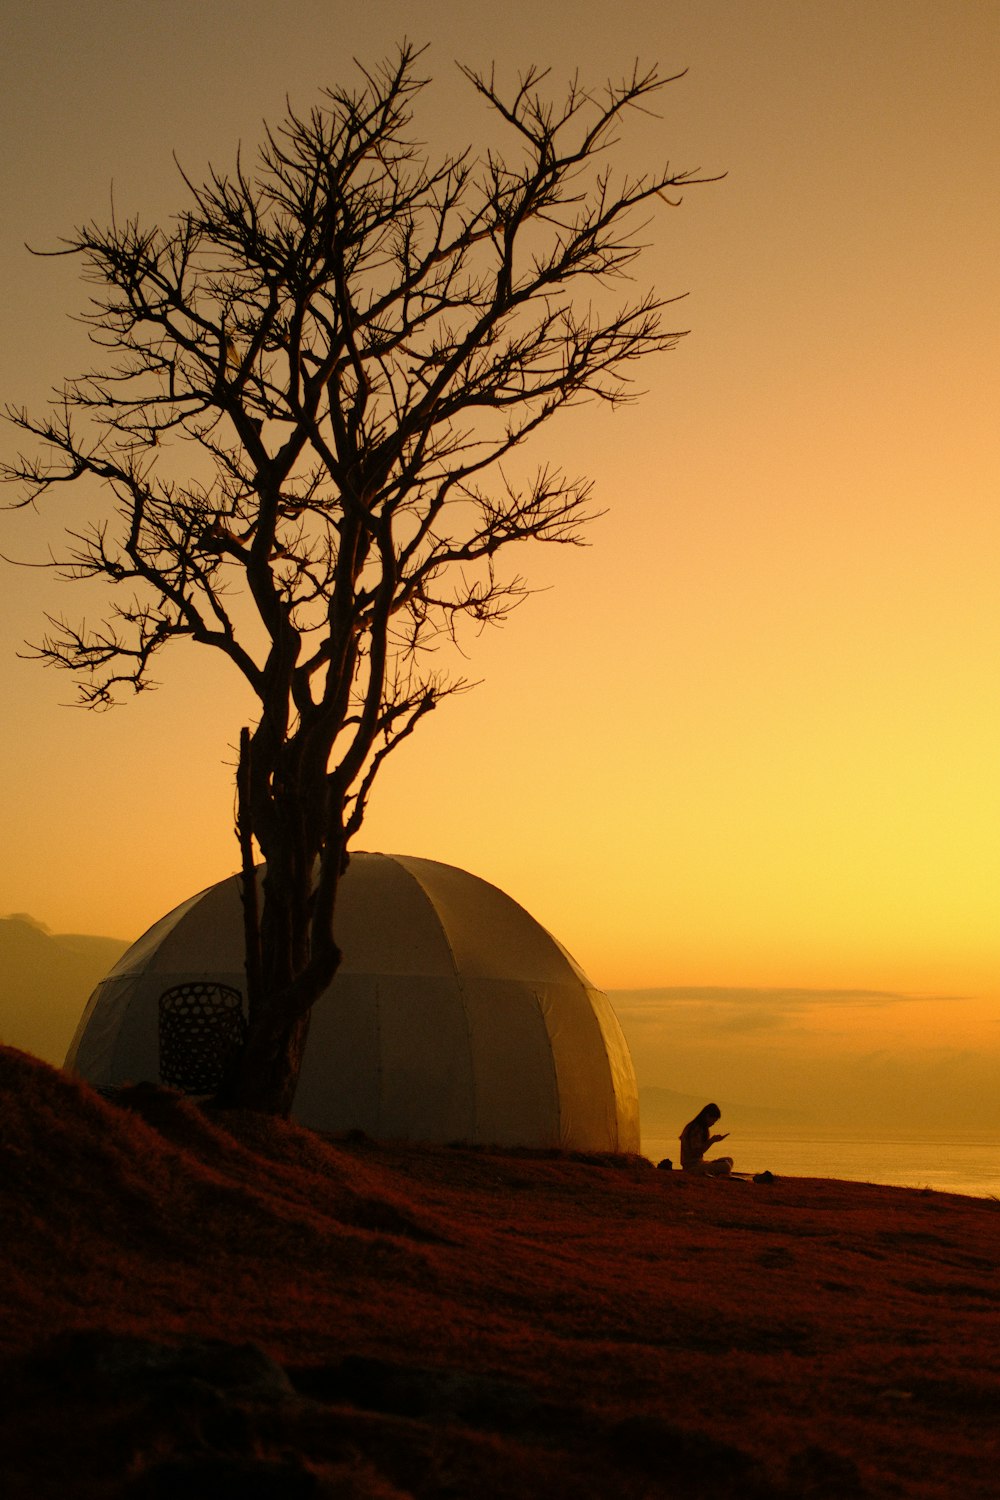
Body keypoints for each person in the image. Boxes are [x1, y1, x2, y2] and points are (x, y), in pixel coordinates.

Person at [679, 1103, 733, 1177]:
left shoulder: (701, 1128)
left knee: (729, 1160)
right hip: (692, 1166)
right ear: (707, 1116)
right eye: (713, 1120)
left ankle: (717, 1174)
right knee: (726, 1166)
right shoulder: (695, 1128)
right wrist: (711, 1141)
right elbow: (696, 1152)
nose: (713, 1123)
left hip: (700, 1163)